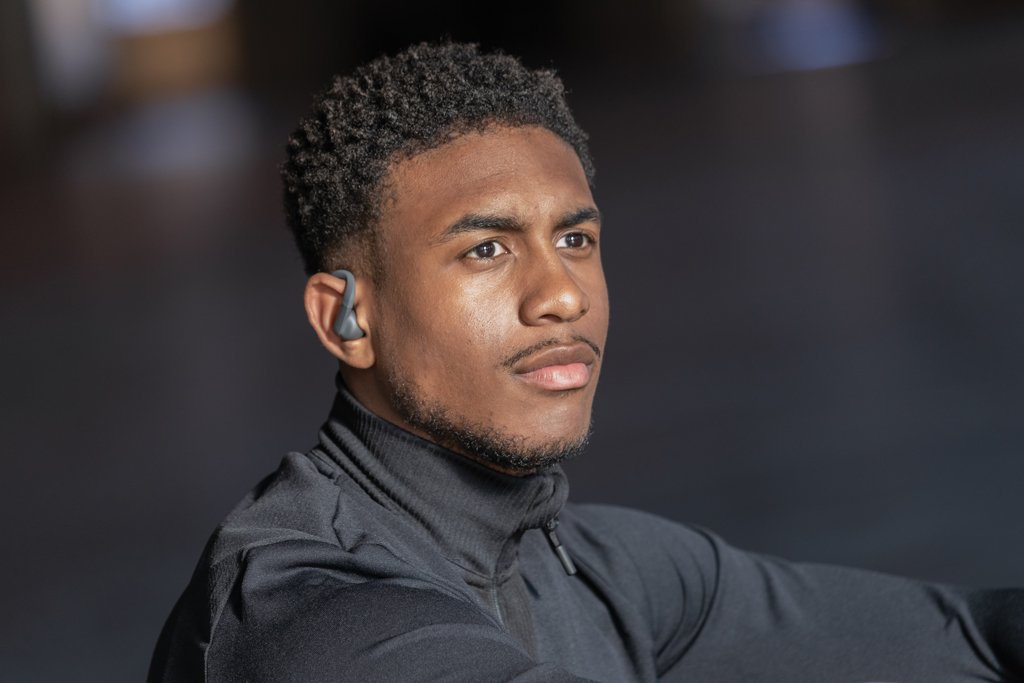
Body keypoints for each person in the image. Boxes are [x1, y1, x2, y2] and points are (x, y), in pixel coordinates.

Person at [148, 42, 1023, 683]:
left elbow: (967, 636)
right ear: (347, 318)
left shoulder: (597, 569)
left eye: (574, 239)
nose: (561, 295)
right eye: (486, 250)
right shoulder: (306, 617)